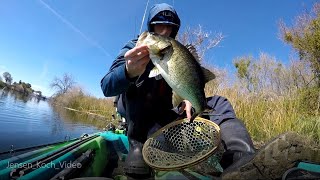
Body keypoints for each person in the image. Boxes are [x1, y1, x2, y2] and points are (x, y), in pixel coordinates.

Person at [101, 3, 255, 178]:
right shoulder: (133, 48)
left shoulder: (177, 51)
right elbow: (107, 86)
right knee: (140, 90)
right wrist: (128, 72)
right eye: (159, 26)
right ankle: (138, 145)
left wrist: (187, 98)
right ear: (151, 26)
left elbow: (187, 80)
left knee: (219, 103)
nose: (165, 31)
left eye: (170, 27)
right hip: (140, 119)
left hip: (167, 113)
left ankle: (243, 159)